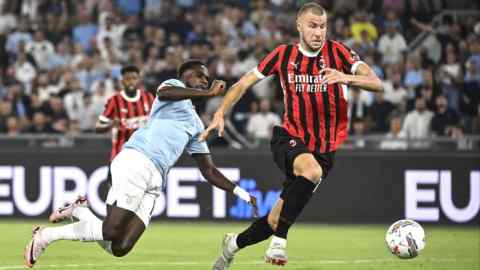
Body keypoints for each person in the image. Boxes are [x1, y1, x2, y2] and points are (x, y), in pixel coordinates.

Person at [24, 60, 258, 267]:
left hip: (155, 183)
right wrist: (207, 93)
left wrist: (241, 193)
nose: (204, 80)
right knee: (109, 230)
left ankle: (80, 212)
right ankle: (45, 237)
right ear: (184, 77)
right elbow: (168, 93)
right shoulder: (170, 90)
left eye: (206, 77)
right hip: (137, 160)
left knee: (120, 247)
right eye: (199, 75)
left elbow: (208, 170)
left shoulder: (197, 125)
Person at [200, 3, 383, 268]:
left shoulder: (339, 52)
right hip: (290, 137)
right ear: (299, 25)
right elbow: (242, 84)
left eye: (322, 26)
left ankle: (232, 245)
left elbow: (376, 83)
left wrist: (344, 77)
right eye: (312, 25)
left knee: (275, 219)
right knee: (311, 171)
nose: (318, 32)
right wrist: (220, 114)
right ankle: (280, 242)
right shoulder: (282, 55)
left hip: (324, 149)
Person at [95, 66, 154, 185]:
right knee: (114, 194)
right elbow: (98, 127)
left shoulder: (149, 98)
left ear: (139, 80)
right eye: (128, 79)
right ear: (122, 81)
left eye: (134, 78)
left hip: (144, 156)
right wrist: (111, 124)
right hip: (119, 156)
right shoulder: (115, 101)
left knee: (144, 194)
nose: (131, 81)